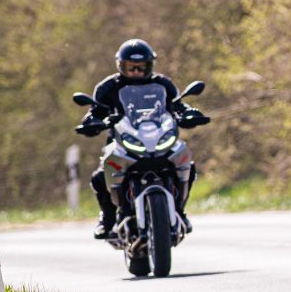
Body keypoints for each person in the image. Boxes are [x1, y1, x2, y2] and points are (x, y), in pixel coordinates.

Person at [74, 39, 207, 239]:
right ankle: (108, 218)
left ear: (150, 66)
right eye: (131, 67)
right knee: (99, 177)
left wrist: (190, 113)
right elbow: (96, 111)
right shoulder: (108, 87)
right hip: (122, 141)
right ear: (121, 66)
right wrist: (91, 122)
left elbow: (178, 106)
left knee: (187, 163)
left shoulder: (163, 84)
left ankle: (180, 211)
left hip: (158, 138)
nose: (136, 71)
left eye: (141, 67)